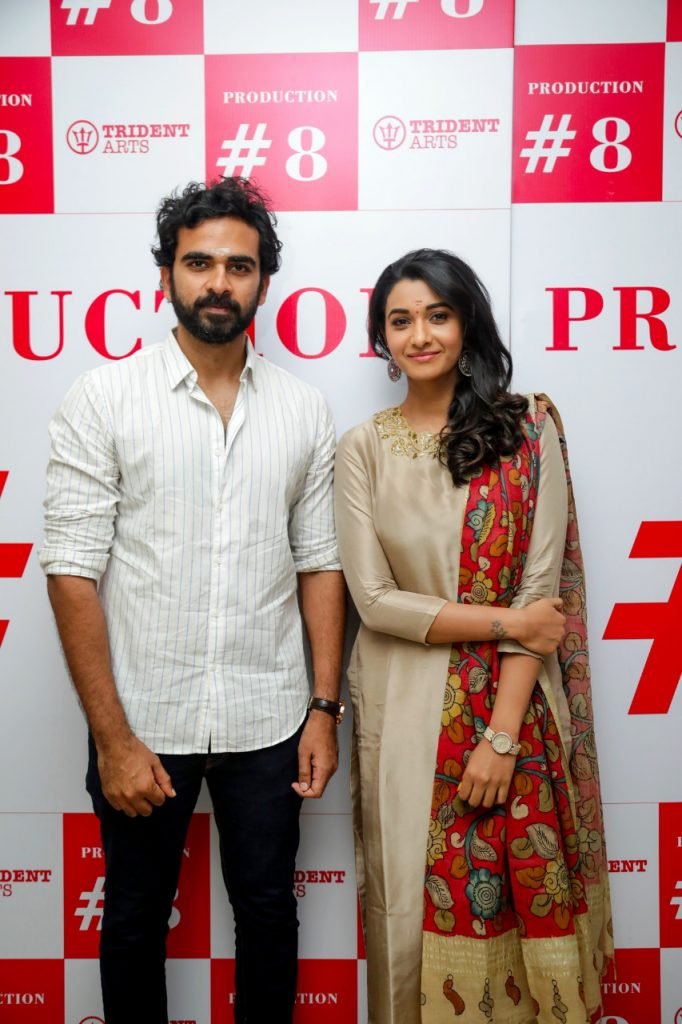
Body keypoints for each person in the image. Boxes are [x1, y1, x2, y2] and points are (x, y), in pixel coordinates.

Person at [40, 176, 346, 1024]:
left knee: (269, 916)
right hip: (144, 719)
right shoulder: (104, 398)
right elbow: (70, 571)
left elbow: (320, 564)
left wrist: (323, 710)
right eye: (199, 262)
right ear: (166, 274)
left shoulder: (303, 409)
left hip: (270, 717)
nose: (219, 282)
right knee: (135, 919)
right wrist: (113, 739)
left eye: (239, 266)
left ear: (263, 283)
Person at [334, 249, 612, 1024]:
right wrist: (508, 621)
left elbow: (540, 593)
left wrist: (500, 736)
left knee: (519, 922)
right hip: (402, 713)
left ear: (467, 324)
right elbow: (375, 602)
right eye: (400, 321)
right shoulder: (362, 448)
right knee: (403, 917)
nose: (419, 335)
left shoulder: (527, 429)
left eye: (438, 315)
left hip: (512, 710)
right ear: (383, 340)